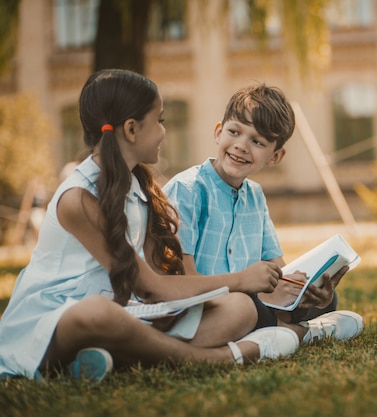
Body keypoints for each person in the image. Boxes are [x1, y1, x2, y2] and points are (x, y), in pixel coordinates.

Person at [0, 69, 300, 383]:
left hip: (125, 313)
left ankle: (109, 360)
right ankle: (219, 358)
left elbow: (164, 281)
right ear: (132, 129)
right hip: (54, 321)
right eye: (160, 121)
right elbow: (149, 286)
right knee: (98, 313)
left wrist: (224, 298)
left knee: (239, 308)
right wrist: (239, 279)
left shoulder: (138, 188)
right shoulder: (78, 198)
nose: (163, 132)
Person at [163, 84, 364, 344]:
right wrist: (250, 290)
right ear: (218, 132)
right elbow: (182, 279)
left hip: (250, 300)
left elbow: (279, 269)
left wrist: (304, 288)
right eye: (234, 132)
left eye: (257, 141)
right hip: (203, 305)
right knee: (246, 306)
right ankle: (304, 333)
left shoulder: (255, 196)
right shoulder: (187, 190)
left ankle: (280, 328)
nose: (241, 146)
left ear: (275, 156)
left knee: (321, 299)